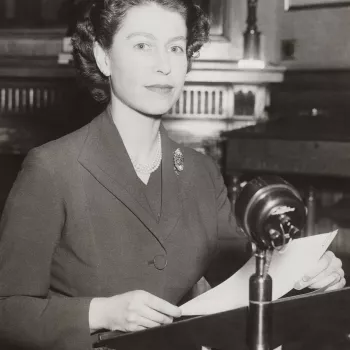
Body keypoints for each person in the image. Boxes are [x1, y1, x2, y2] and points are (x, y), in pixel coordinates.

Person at [0, 1, 345, 349]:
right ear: (104, 57)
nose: (164, 65)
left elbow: (242, 274)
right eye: (142, 45)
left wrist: (302, 275)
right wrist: (101, 313)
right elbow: (7, 311)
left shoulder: (201, 171)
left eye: (176, 47)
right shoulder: (51, 168)